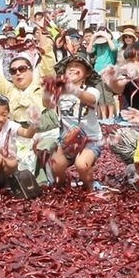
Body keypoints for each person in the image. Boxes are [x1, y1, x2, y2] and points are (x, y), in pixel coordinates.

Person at [44, 52, 103, 187]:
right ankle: (64, 187)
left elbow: (91, 100)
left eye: (77, 66)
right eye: (69, 66)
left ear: (87, 73)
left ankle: (90, 187)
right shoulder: (60, 92)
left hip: (90, 140)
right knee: (56, 166)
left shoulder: (92, 90)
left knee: (82, 165)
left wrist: (72, 89)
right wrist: (47, 90)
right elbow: (47, 104)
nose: (71, 68)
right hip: (68, 140)